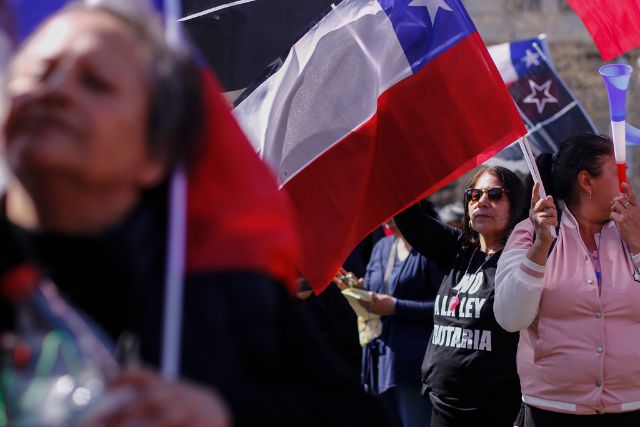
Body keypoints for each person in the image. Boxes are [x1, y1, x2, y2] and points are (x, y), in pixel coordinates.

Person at [0, 3, 390, 427]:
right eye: (38, 73)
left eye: (95, 83)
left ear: (155, 151)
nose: (55, 91)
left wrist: (224, 413)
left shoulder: (213, 286)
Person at [494, 134, 640, 427]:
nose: (627, 183)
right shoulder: (531, 233)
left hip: (630, 408)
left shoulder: (634, 229)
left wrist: (637, 245)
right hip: (551, 411)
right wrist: (540, 247)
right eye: (618, 172)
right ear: (587, 181)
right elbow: (510, 318)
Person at [394, 166, 525, 427]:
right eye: (474, 195)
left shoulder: (524, 258)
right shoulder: (458, 249)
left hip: (495, 412)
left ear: (516, 206)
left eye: (495, 194)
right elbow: (408, 218)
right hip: (443, 407)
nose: (482, 202)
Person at [360, 214, 442, 427]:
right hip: (381, 358)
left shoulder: (429, 249)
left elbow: (445, 306)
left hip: (414, 364)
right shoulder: (382, 247)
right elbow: (371, 287)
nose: (387, 216)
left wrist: (396, 306)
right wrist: (358, 291)